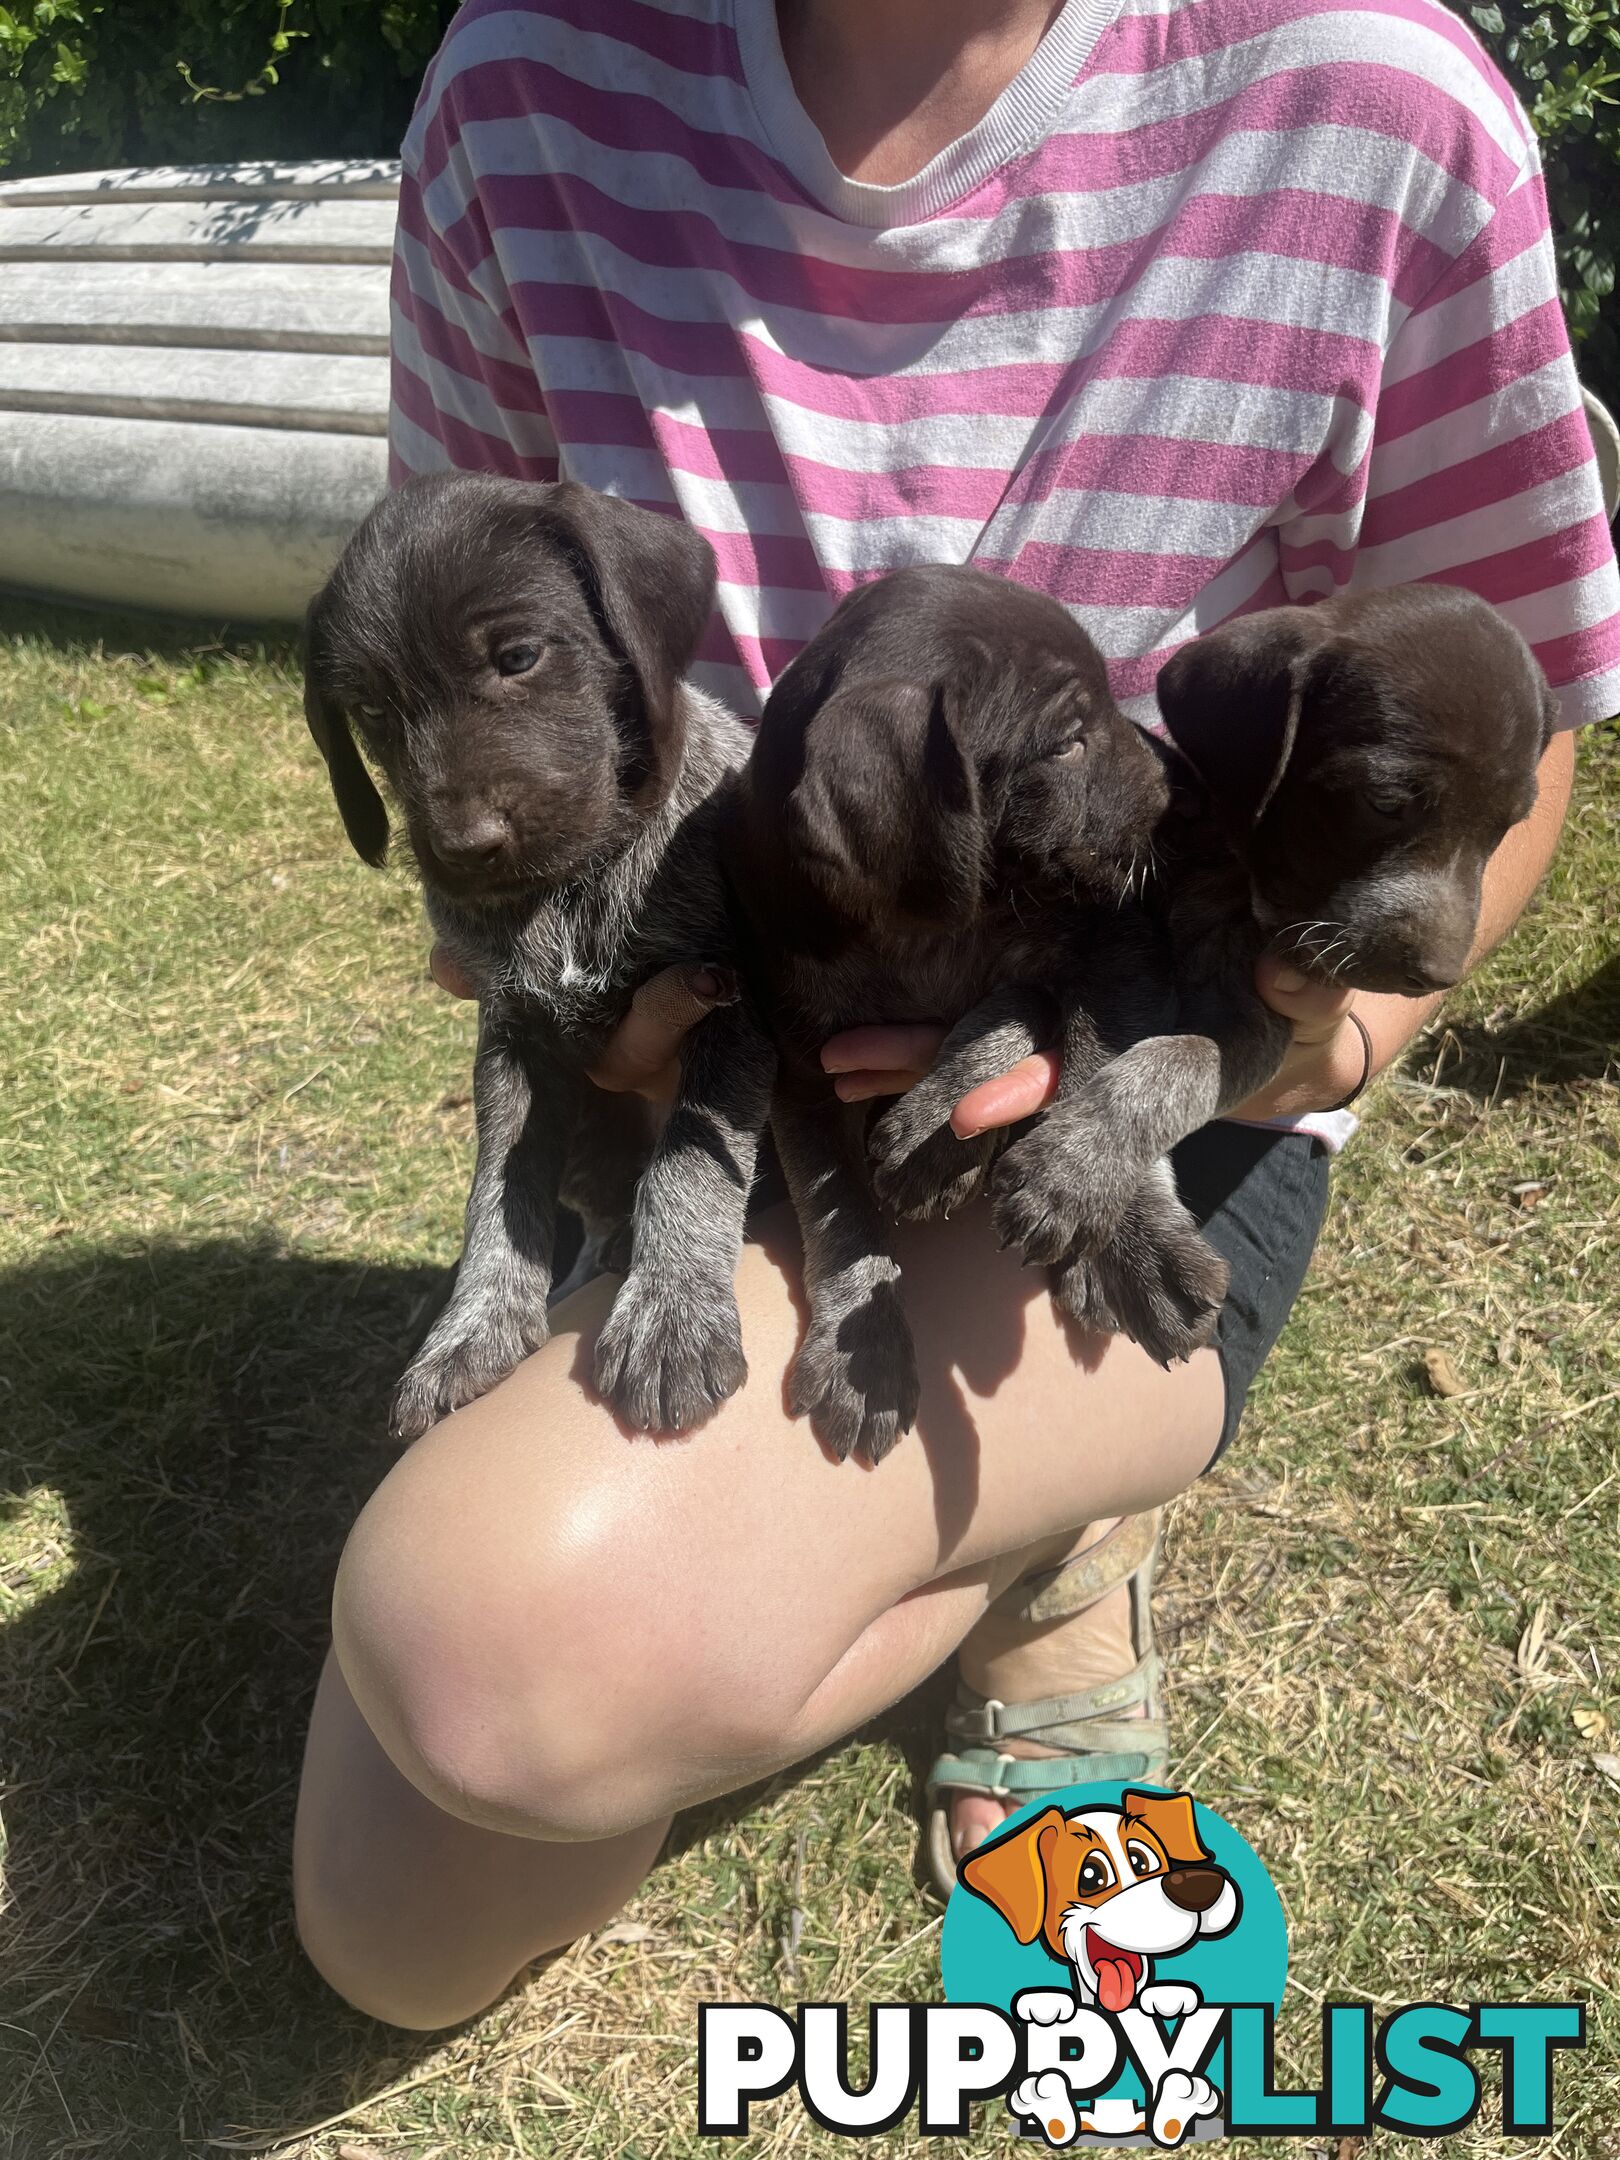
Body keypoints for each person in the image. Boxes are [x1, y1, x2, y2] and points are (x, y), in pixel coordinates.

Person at [292, 0, 1619, 2029]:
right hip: (738, 1062)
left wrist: (1293, 1053)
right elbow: (470, 644)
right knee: (393, 1931)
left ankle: (1050, 1554)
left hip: (1131, 1106)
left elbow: (1508, 726)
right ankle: (871, 1539)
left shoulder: (1372, 99)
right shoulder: (531, 86)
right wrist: (595, 1042)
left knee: (499, 1650)